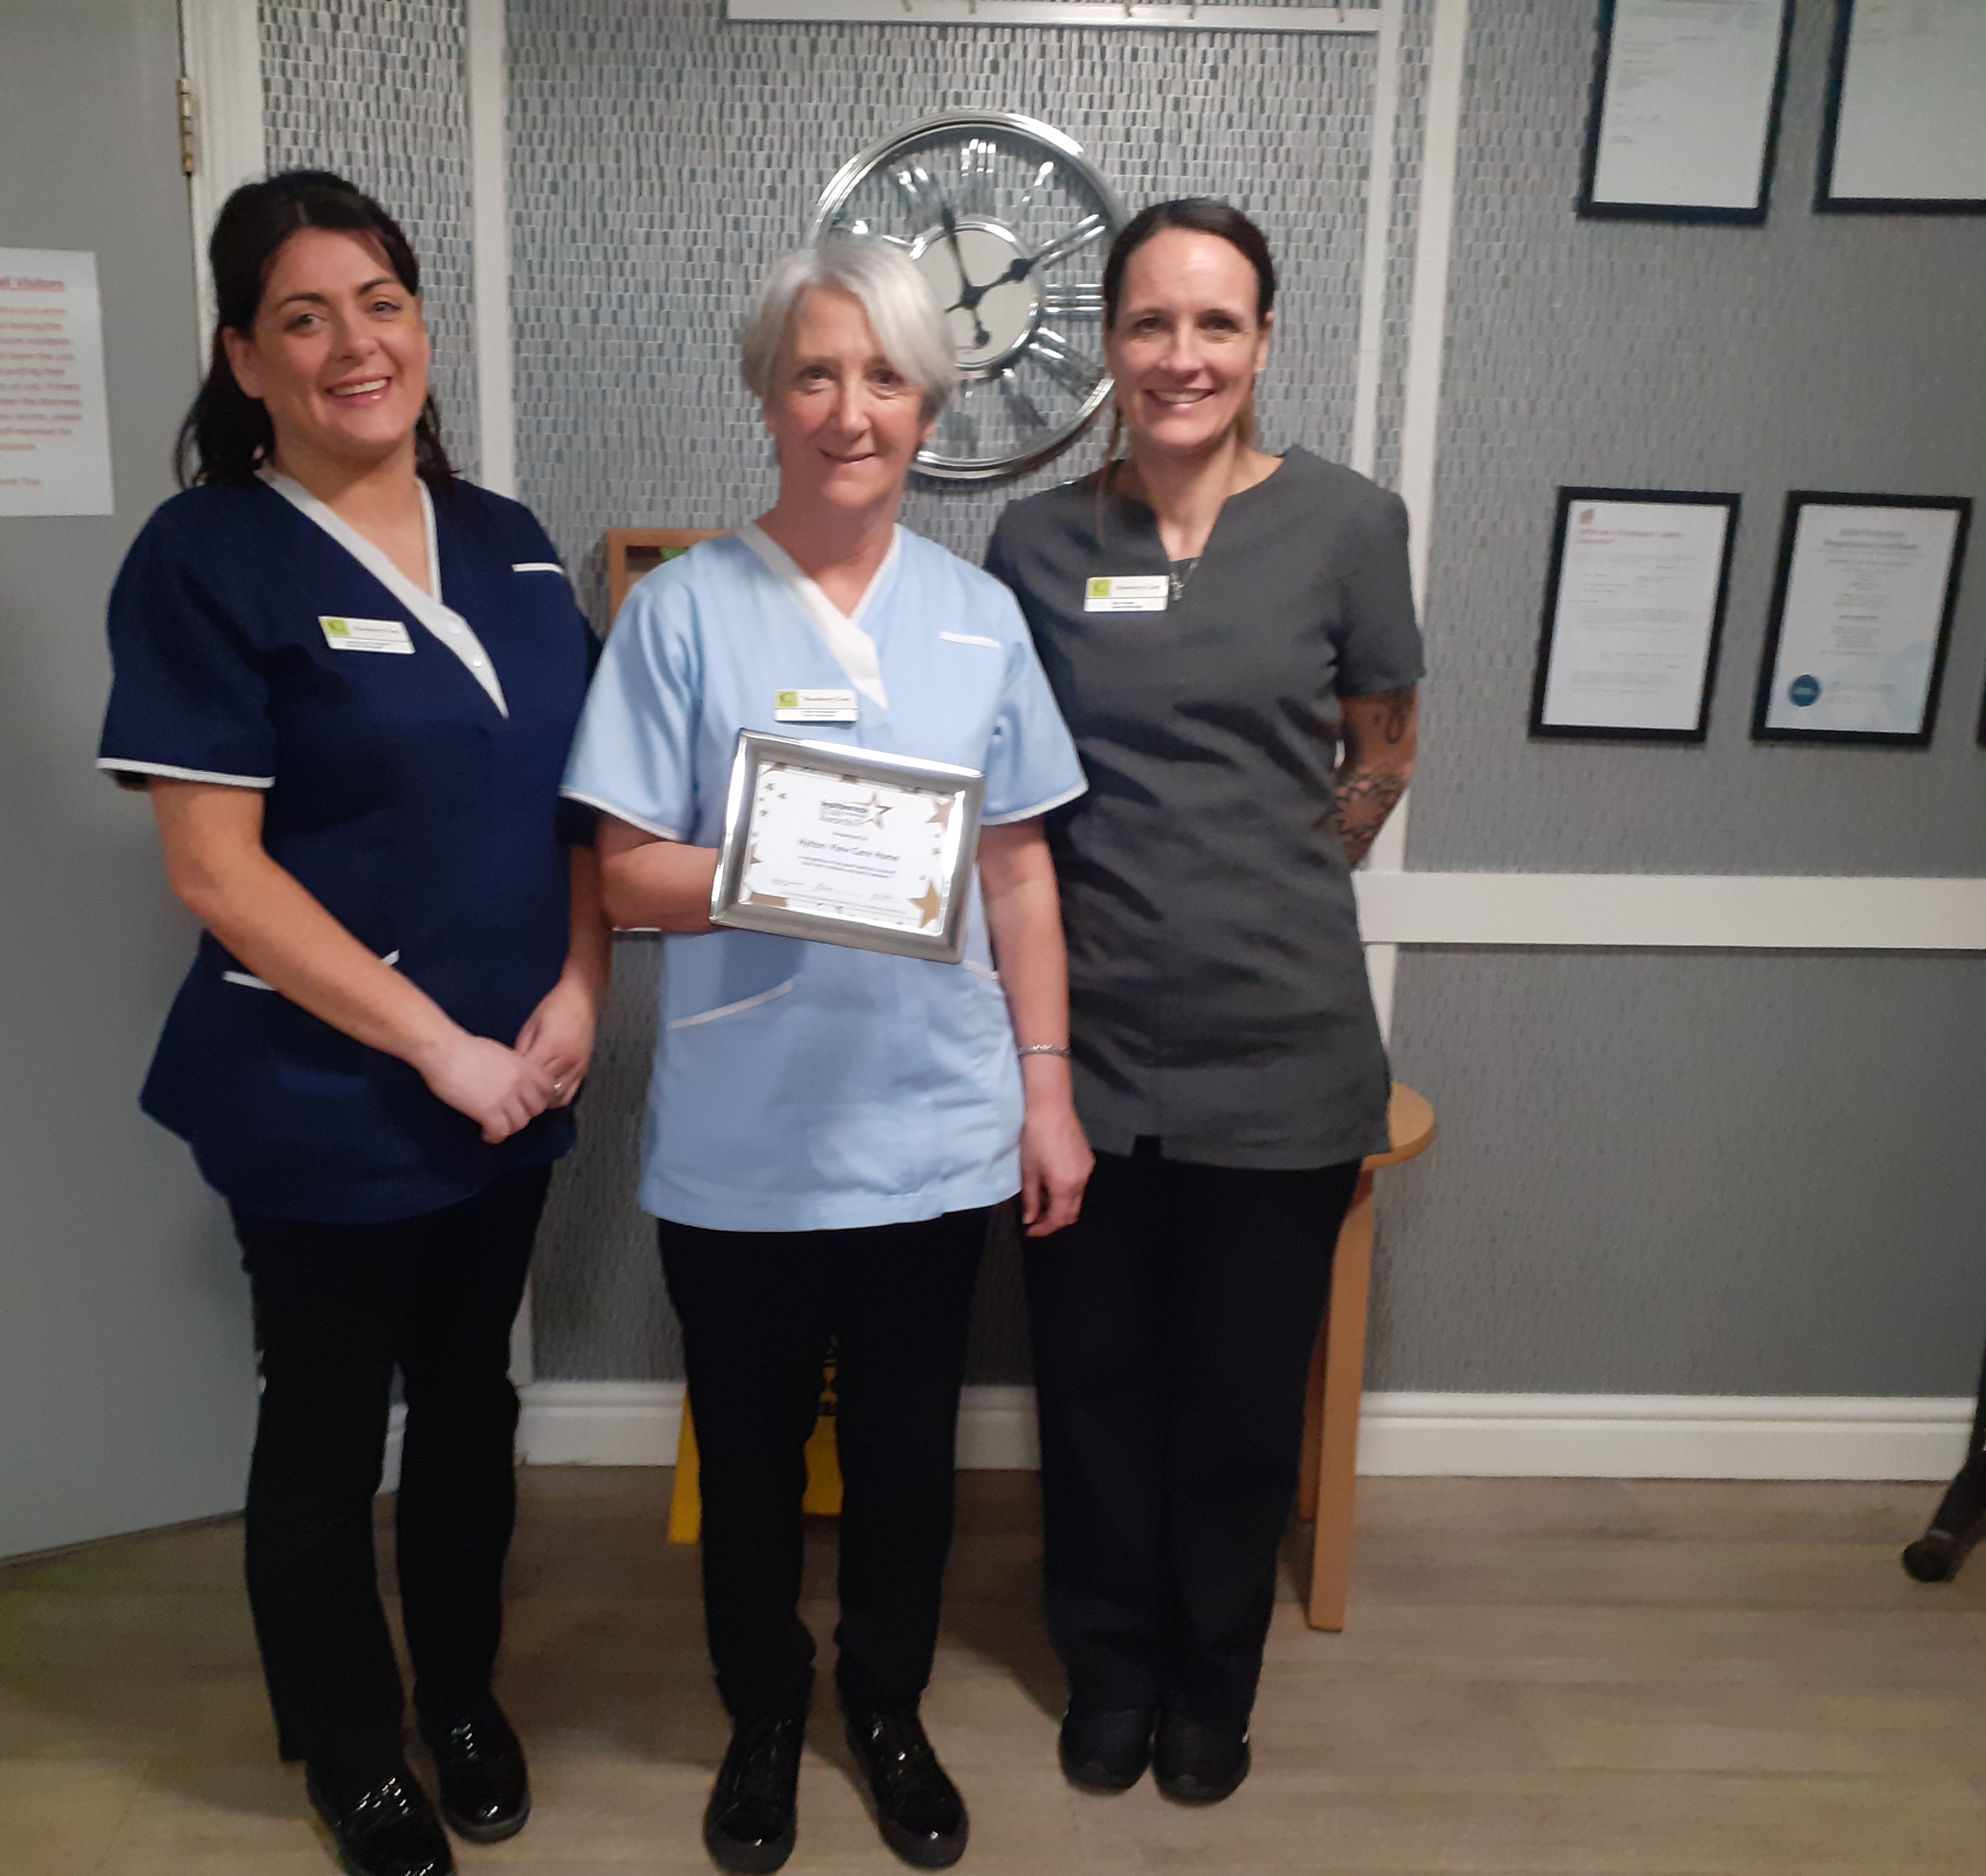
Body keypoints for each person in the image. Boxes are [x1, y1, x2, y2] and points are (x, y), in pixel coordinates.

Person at [96, 171, 606, 1876]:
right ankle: (350, 1743)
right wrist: (440, 1047)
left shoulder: (518, 543)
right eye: (301, 318)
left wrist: (579, 991)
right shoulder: (206, 558)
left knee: (470, 1406)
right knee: (323, 1434)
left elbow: (587, 807)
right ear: (245, 359)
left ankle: (460, 1698)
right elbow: (217, 874)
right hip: (325, 1099)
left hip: (514, 1086)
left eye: (377, 303)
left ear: (423, 328)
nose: (350, 346)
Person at [560, 238, 1091, 1874]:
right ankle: (764, 1710)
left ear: (929, 408)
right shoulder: (685, 616)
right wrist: (792, 867)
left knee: (908, 1461)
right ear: (767, 395)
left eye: (884, 378)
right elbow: (623, 866)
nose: (850, 409)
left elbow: (1017, 868)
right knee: (749, 1451)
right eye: (816, 373)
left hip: (935, 1127)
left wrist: (1049, 1092)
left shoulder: (980, 619)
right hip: (749, 1136)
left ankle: (888, 1702)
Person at [983, 199, 1423, 1807]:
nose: (1183, 356)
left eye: (1217, 325)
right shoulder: (1034, 542)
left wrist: (1282, 887)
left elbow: (1383, 743)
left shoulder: (1348, 524)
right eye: (1152, 324)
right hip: (1079, 1049)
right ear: (1109, 343)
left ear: (1263, 341)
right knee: (1093, 1383)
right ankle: (1107, 1667)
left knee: (1240, 1400)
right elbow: (1007, 796)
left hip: (1283, 1054)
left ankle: (1207, 1683)